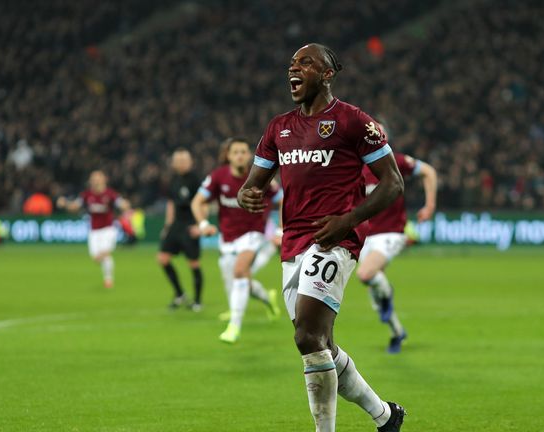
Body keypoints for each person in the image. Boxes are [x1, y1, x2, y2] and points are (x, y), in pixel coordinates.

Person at [238, 43, 406, 432]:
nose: (293, 69)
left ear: (328, 74)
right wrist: (247, 194)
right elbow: (252, 184)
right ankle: (386, 415)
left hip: (335, 241)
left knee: (306, 336)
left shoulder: (353, 122)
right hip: (292, 244)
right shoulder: (278, 127)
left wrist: (349, 221)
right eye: (292, 64)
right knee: (321, 346)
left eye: (305, 63)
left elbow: (393, 184)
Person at [191, 137, 283, 343]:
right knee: (241, 280)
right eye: (236, 152)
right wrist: (203, 224)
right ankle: (269, 300)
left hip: (254, 233)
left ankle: (234, 325)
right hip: (228, 238)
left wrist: (280, 230)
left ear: (249, 155)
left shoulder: (261, 176)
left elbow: (282, 200)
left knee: (240, 271)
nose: (240, 155)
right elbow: (197, 202)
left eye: (243, 151)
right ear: (228, 156)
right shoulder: (218, 176)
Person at [358, 151, 437, 353]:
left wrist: (430, 205)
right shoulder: (353, 166)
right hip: (365, 237)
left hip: (391, 233)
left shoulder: (395, 160)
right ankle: (397, 333)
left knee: (365, 274)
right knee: (375, 293)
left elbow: (428, 172)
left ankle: (388, 295)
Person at [57, 170, 130, 289]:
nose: (95, 181)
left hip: (108, 229)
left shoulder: (110, 194)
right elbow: (75, 206)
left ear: (103, 180)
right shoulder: (86, 195)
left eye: (97, 179)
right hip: (94, 230)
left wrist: (125, 205)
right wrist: (65, 203)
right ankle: (108, 271)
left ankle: (108, 279)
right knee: (96, 257)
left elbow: (121, 203)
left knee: (104, 254)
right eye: (93, 179)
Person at [159, 149, 204, 310]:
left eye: (184, 160)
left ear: (190, 161)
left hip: (190, 224)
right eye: (178, 160)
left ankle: (198, 301)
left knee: (193, 263)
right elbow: (171, 203)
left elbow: (203, 202)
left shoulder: (195, 179)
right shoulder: (173, 179)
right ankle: (180, 294)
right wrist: (167, 225)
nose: (181, 163)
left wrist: (200, 225)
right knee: (163, 258)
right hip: (176, 224)